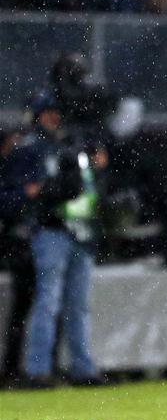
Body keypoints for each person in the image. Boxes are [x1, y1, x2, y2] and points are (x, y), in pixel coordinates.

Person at [16, 93, 107, 387]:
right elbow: (29, 191)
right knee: (49, 302)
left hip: (79, 230)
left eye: (57, 112)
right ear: (38, 116)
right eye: (48, 113)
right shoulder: (34, 148)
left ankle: (81, 368)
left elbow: (52, 189)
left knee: (76, 305)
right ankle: (38, 369)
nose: (54, 118)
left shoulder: (71, 145)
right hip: (52, 230)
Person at [0, 128, 40, 385]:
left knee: (22, 309)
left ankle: (14, 367)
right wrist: (24, 194)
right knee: (20, 310)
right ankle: (12, 367)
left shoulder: (14, 168)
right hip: (12, 243)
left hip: (17, 244)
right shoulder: (10, 172)